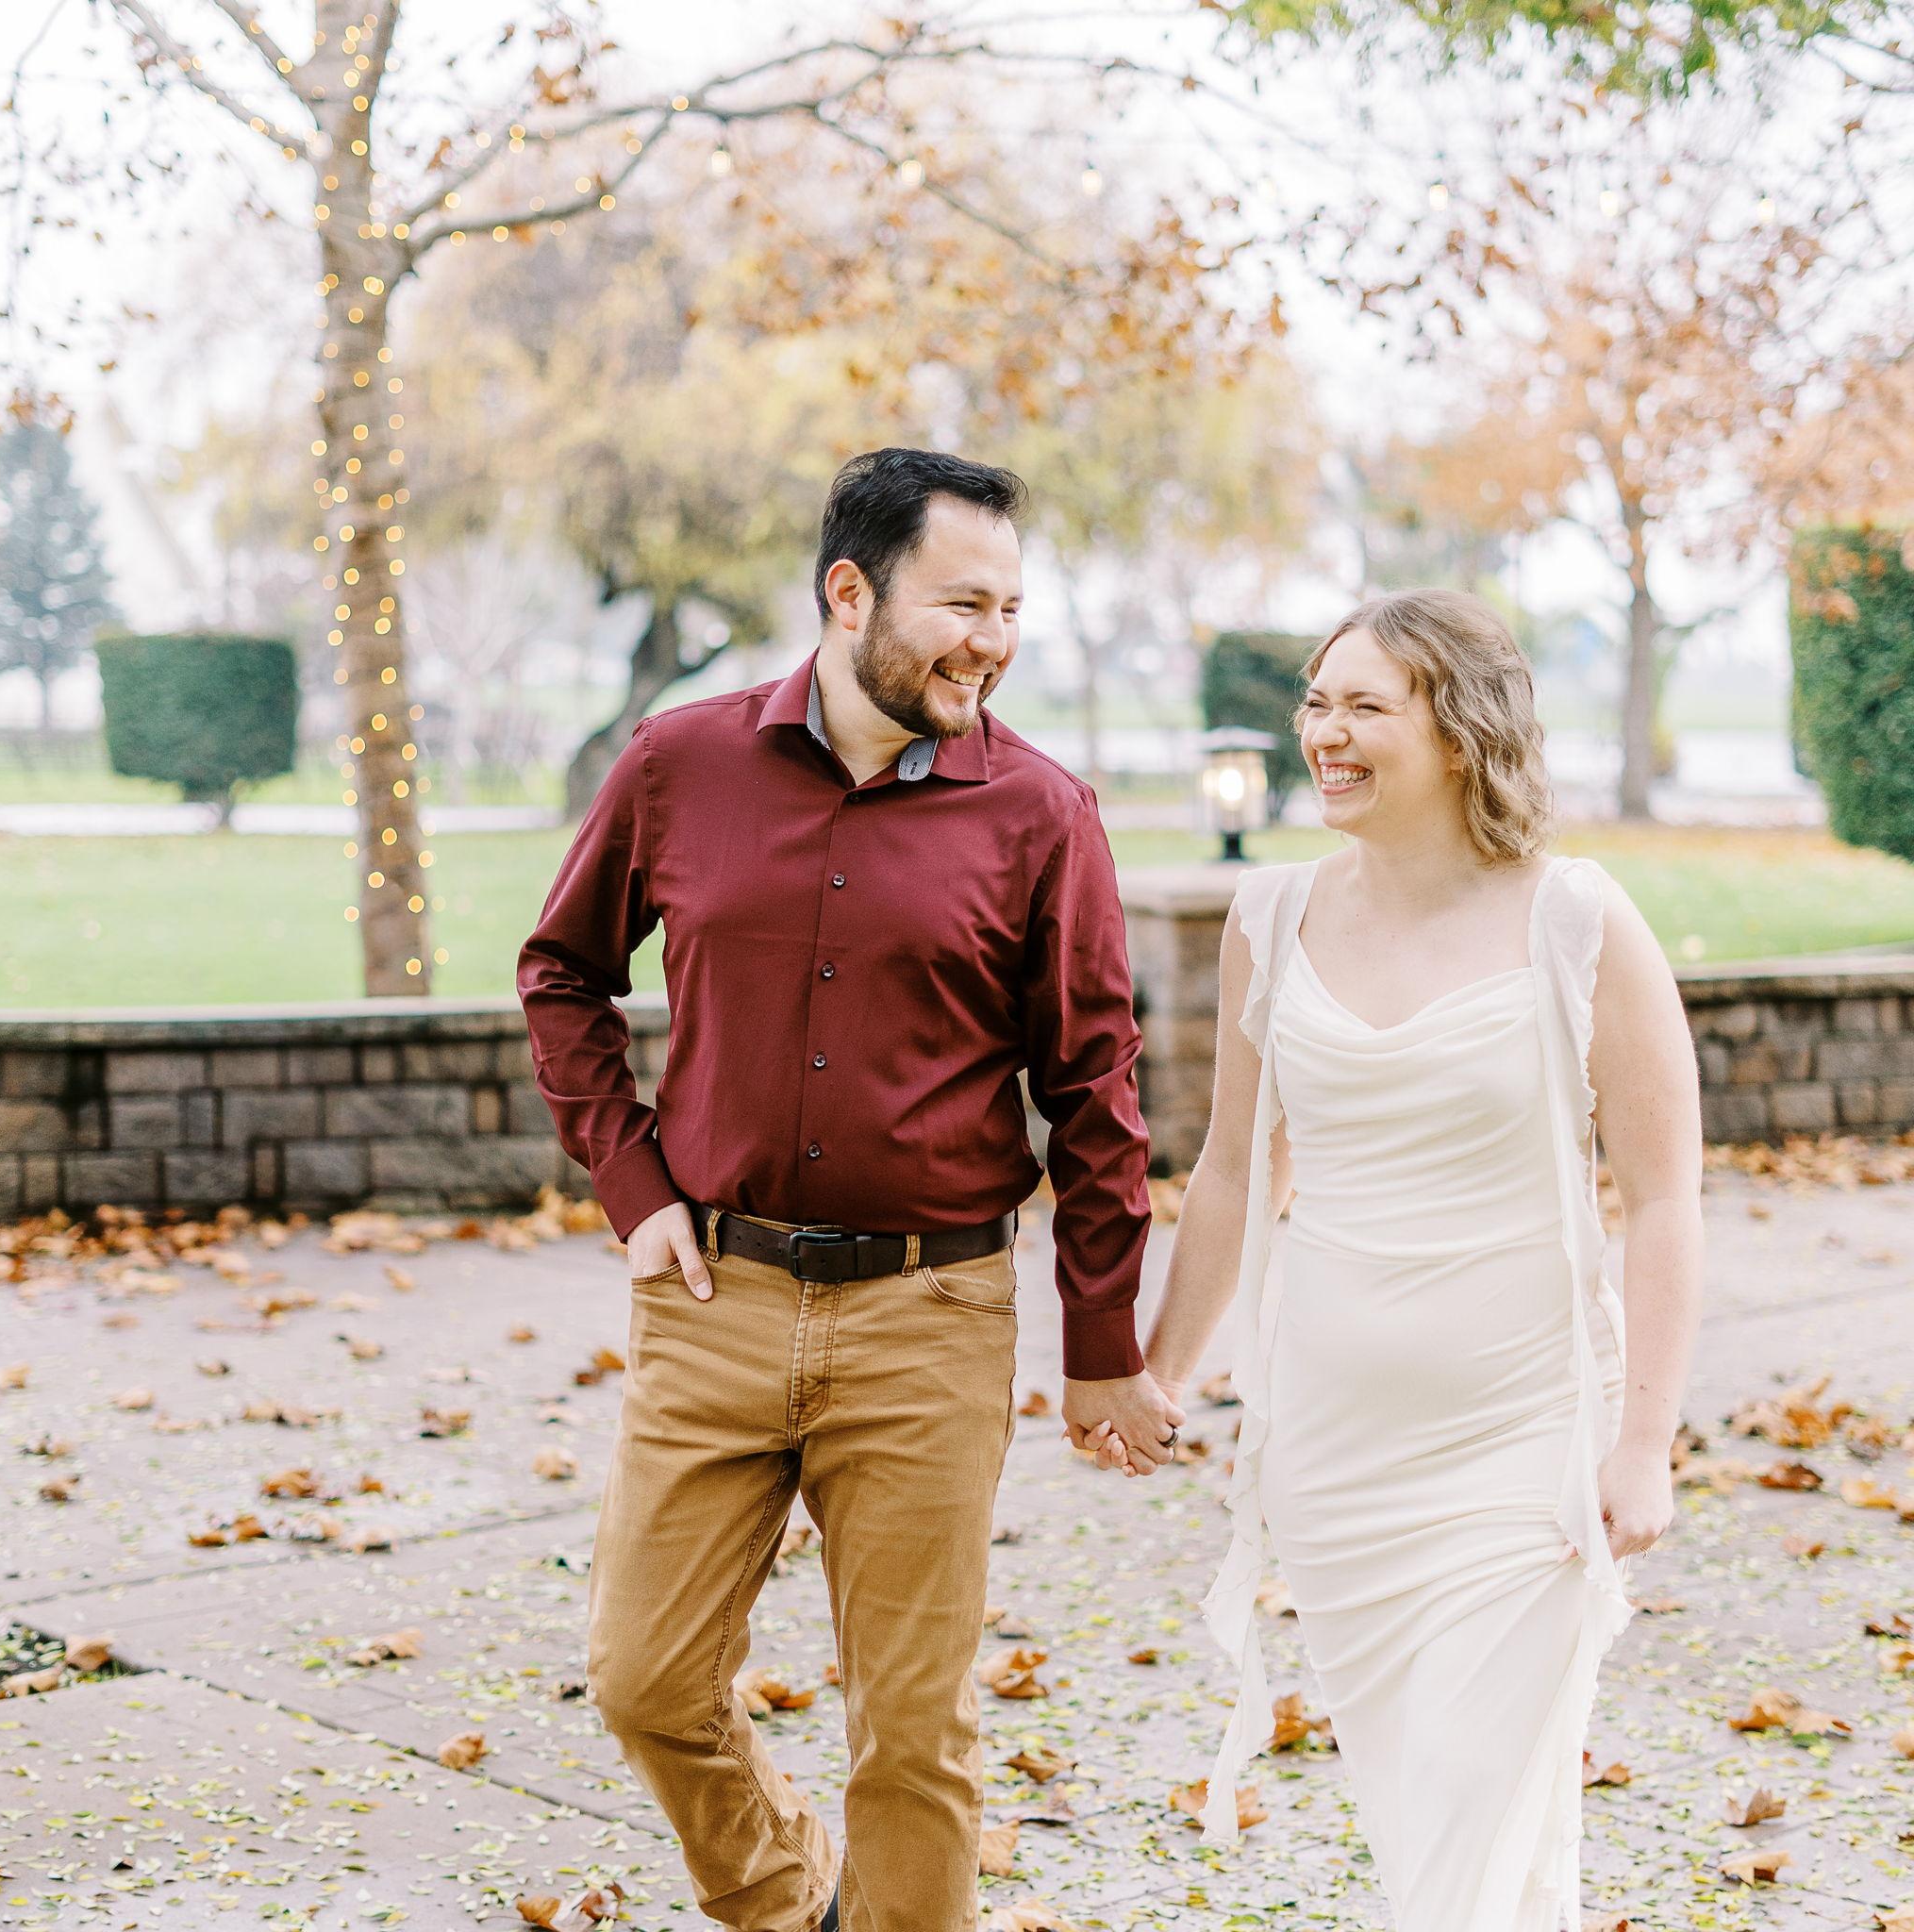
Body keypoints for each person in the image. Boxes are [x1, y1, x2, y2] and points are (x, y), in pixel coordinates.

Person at [516, 447, 1184, 1932]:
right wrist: (634, 1185)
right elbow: (562, 971)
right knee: (643, 1681)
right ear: (848, 593)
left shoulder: (1043, 813)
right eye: (962, 605)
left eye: (1011, 610)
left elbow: (1094, 1089)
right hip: (714, 1301)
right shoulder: (677, 765)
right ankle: (791, 1897)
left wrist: (1101, 1344)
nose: (992, 643)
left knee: (914, 1737)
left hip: (929, 1318)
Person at [1139, 590, 1703, 1929]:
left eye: (1364, 707)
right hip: (1339, 1458)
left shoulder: (1575, 919)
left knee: (1467, 1803)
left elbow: (1666, 1198)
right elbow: (1237, 1170)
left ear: (1457, 734)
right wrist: (1160, 1371)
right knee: (1434, 1819)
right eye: (1316, 703)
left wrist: (1645, 1444)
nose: (1323, 734)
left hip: (1524, 1443)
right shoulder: (1272, 916)